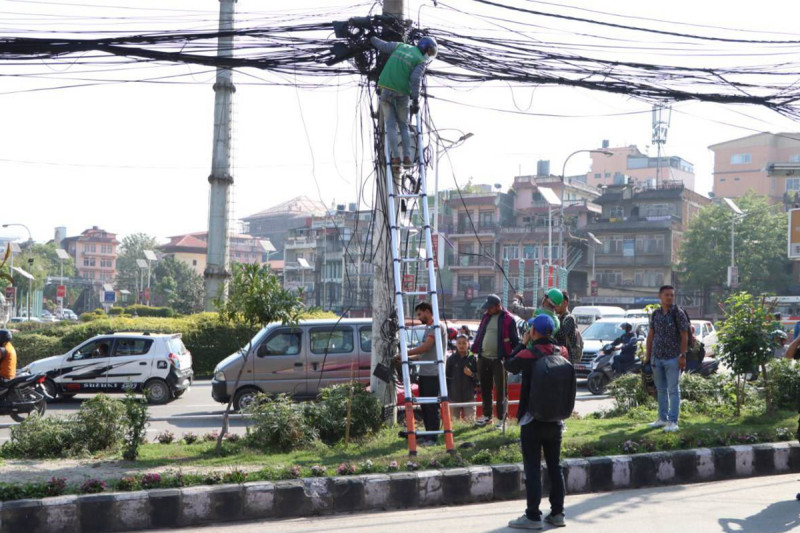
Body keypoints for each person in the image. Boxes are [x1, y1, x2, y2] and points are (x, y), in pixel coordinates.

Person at [504, 314, 569, 530]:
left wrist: (522, 342)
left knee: (532, 468)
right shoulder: (562, 352)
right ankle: (557, 513)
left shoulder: (529, 353)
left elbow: (510, 365)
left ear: (533, 331)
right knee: (555, 466)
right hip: (556, 420)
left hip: (532, 419)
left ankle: (532, 516)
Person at [369, 35, 438, 168]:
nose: (429, 55)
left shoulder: (400, 46)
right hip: (402, 93)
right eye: (429, 52)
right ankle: (406, 157)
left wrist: (371, 37)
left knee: (390, 126)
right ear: (424, 48)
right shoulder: (420, 61)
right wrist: (415, 99)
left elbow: (382, 45)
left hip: (385, 89)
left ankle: (395, 157)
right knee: (403, 126)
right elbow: (415, 80)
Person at [645, 285, 689, 433]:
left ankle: (673, 421)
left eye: (671, 295)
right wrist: (647, 356)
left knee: (673, 390)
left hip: (673, 358)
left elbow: (684, 335)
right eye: (666, 295)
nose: (669, 297)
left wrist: (683, 356)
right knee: (661, 389)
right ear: (660, 296)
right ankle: (662, 418)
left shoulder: (678, 313)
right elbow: (651, 335)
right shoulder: (656, 314)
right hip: (657, 357)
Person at [472, 294, 520, 429]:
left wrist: (512, 357)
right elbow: (480, 335)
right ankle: (487, 416)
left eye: (490, 308)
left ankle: (501, 419)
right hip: (483, 358)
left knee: (501, 390)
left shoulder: (509, 319)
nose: (487, 310)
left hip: (499, 360)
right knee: (485, 388)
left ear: (498, 306)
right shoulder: (486, 317)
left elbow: (515, 340)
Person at [403, 302, 446, 446]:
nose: (419, 317)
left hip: (433, 373)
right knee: (425, 406)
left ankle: (433, 437)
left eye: (420, 314)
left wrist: (405, 353)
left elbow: (426, 347)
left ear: (427, 311)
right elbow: (423, 354)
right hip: (426, 372)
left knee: (431, 406)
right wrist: (407, 358)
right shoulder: (429, 328)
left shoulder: (436, 326)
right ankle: (428, 435)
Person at [446, 334, 478, 422]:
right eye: (459, 343)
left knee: (470, 424)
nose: (461, 345)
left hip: (469, 397)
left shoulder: (473, 359)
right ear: (456, 344)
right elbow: (446, 378)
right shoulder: (451, 359)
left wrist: (471, 374)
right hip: (453, 397)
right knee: (454, 425)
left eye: (464, 343)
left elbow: (479, 378)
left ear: (468, 344)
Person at [552, 290, 579, 364]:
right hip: (558, 357)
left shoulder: (569, 318)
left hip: (567, 359)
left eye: (557, 303)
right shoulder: (557, 318)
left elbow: (561, 334)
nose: (554, 306)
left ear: (565, 303)